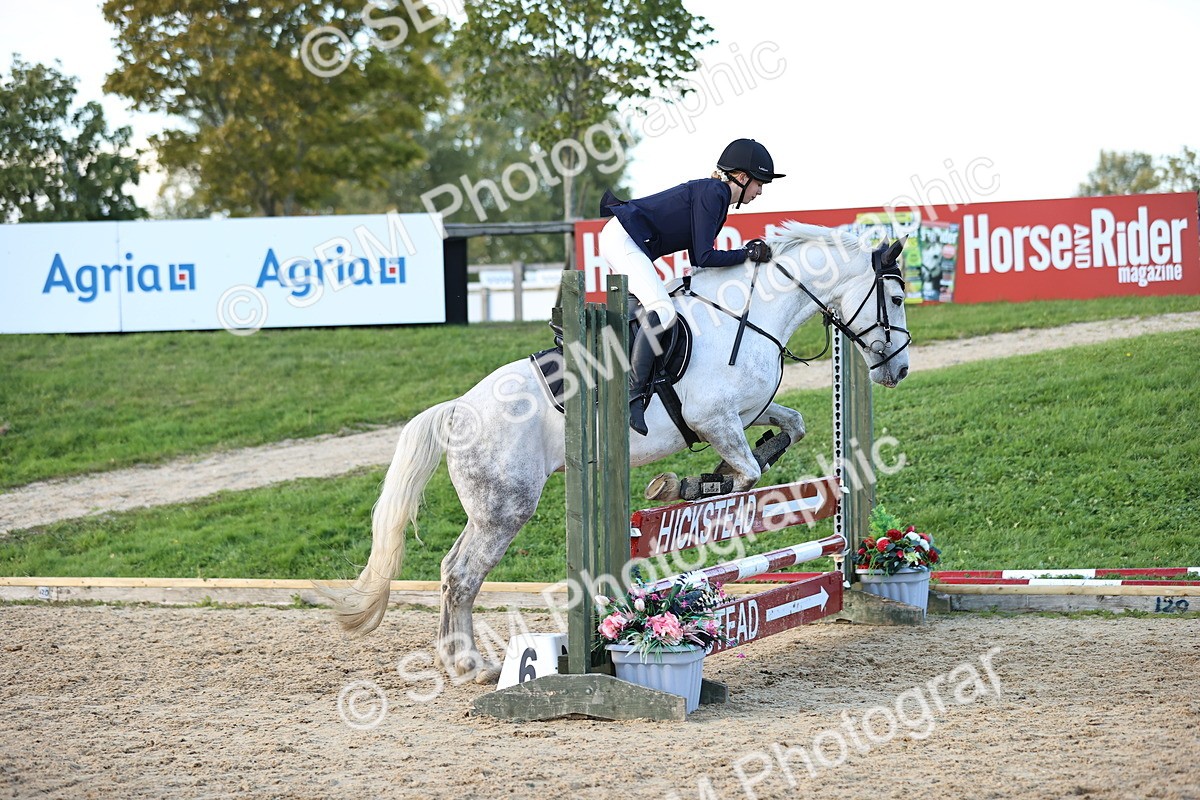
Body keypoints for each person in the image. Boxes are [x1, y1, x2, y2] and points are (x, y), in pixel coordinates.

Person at [598, 138, 785, 435]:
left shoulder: (716, 195)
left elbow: (698, 260)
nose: (760, 191)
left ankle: (624, 374)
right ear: (741, 177)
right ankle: (632, 396)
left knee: (644, 312)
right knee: (663, 310)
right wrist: (748, 253)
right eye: (759, 183)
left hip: (626, 239)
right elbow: (704, 257)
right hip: (623, 239)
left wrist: (745, 255)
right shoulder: (714, 193)